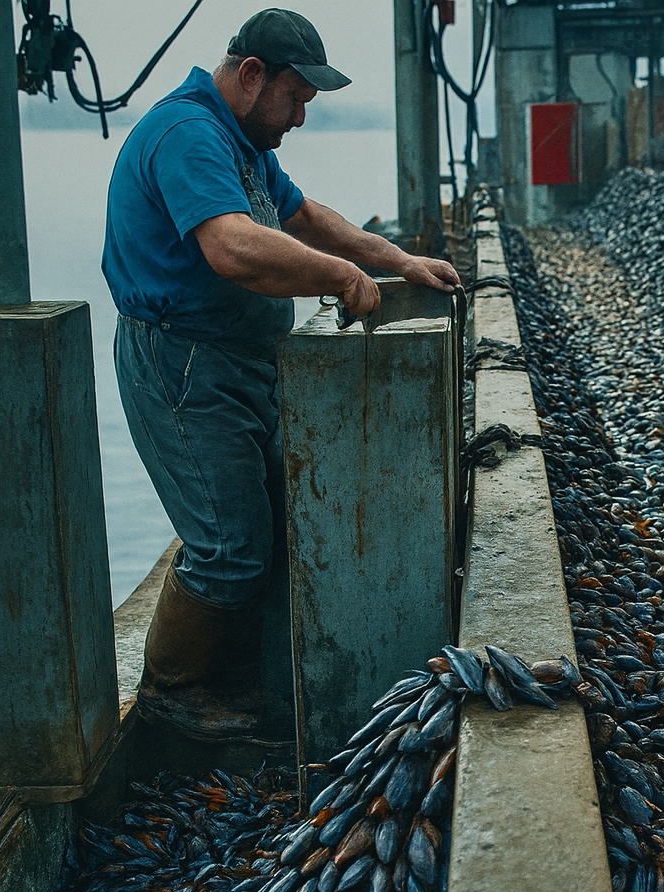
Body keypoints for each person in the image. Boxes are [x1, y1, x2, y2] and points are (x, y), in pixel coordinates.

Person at [102, 8, 460, 744]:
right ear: (251, 74)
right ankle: (174, 692)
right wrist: (338, 276)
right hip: (183, 363)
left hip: (239, 360)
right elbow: (232, 247)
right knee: (228, 545)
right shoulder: (187, 133)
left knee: (274, 519)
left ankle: (241, 686)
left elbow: (301, 215)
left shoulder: (243, 139)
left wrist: (393, 261)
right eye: (295, 98)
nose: (299, 116)